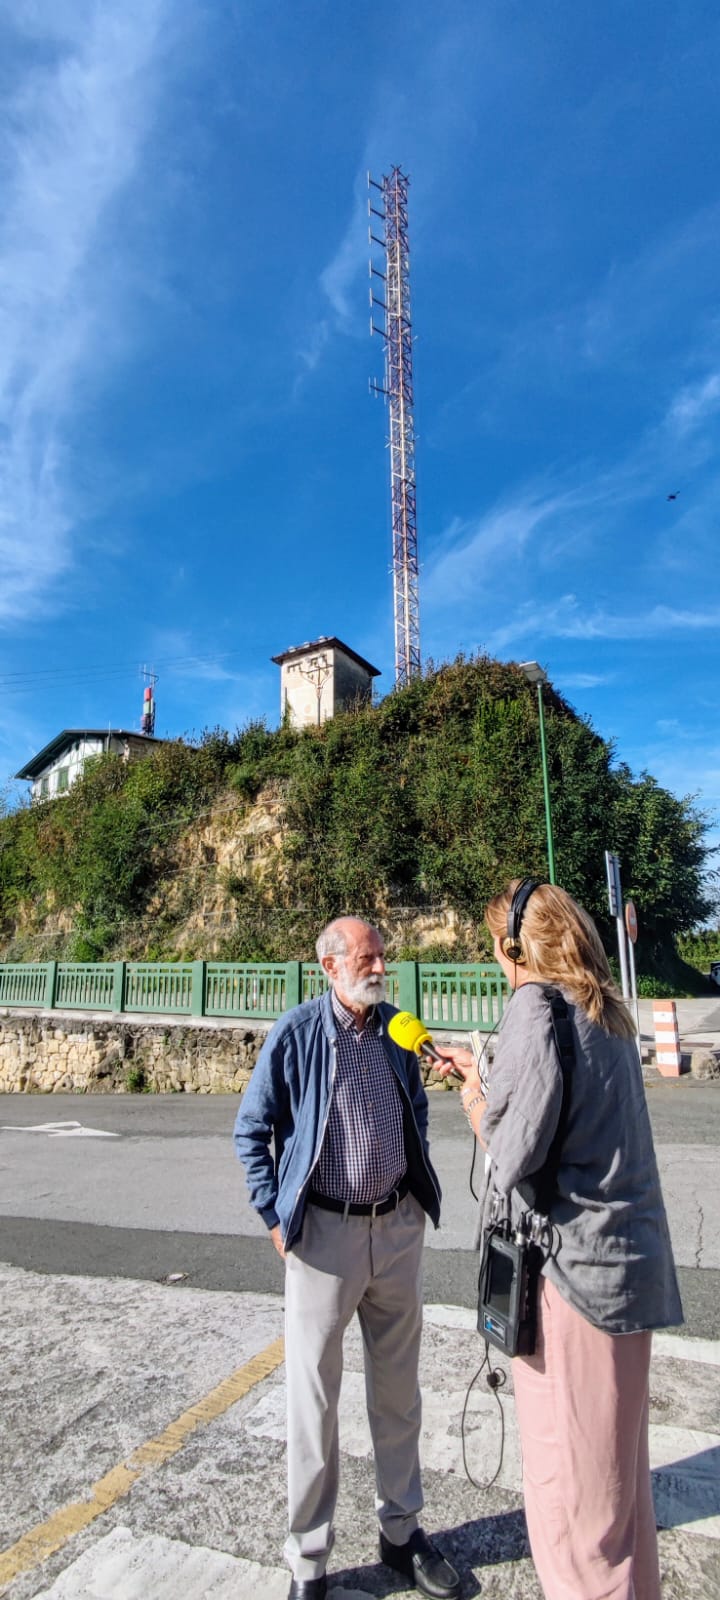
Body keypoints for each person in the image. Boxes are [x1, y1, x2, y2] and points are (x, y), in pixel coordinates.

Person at [437, 878, 682, 1600]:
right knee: (617, 1503)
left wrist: (476, 1099)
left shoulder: (533, 1007)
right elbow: (561, 1110)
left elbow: (513, 1155)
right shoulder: (604, 1010)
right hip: (627, 1275)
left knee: (570, 1510)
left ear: (512, 946)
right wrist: (489, 1073)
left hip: (574, 1287)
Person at [233, 916, 461, 1600]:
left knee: (399, 1396)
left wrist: (411, 1196)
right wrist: (275, 1215)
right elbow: (252, 1127)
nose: (380, 966)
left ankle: (401, 1536)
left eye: (383, 955)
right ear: (329, 966)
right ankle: (308, 1562)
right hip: (323, 1241)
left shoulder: (395, 1028)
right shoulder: (298, 1033)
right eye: (367, 957)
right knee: (314, 1405)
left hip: (394, 1230)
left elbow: (415, 1107)